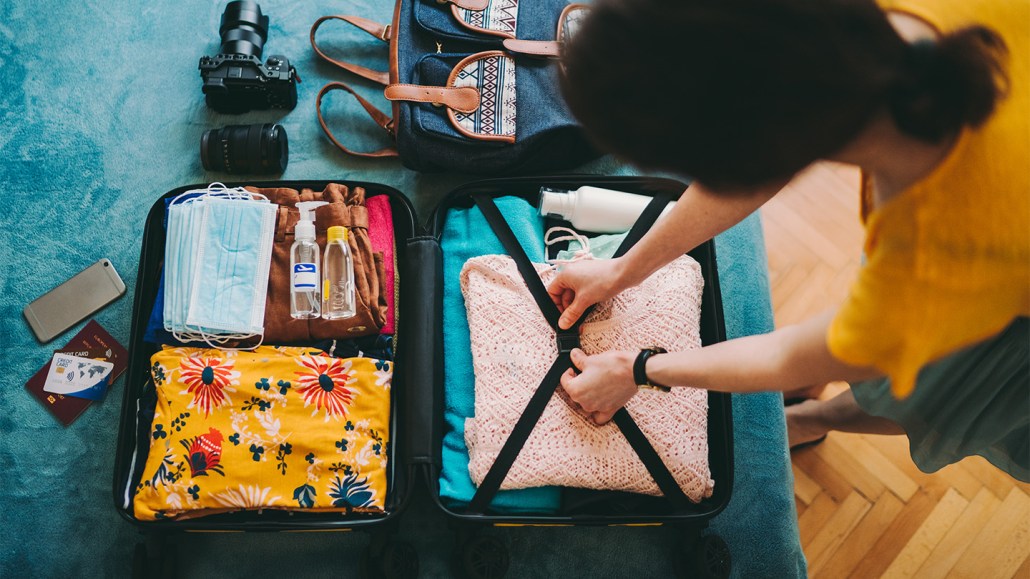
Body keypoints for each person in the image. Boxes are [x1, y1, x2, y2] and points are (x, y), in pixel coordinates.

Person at [549, 0, 1028, 481]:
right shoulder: (831, 56)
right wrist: (621, 270)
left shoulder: (936, 258)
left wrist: (639, 369)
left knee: (932, 394)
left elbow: (795, 354)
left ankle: (808, 420)